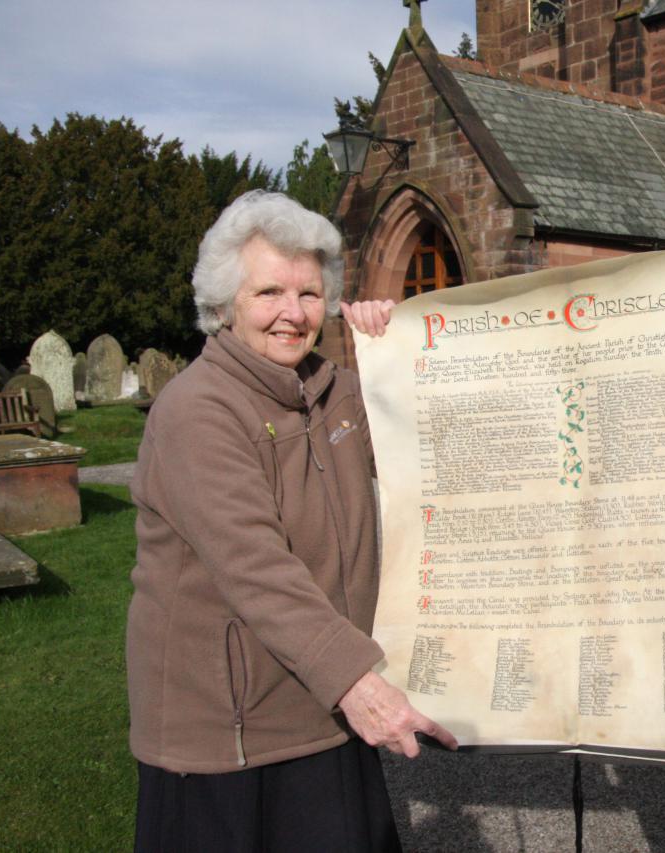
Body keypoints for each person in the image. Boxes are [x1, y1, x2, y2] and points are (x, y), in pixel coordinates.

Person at [125, 190, 450, 851]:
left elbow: (434, 452)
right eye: (269, 291)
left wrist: (397, 350)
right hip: (228, 736)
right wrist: (362, 687)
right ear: (224, 304)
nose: (292, 313)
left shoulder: (334, 392)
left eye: (308, 293)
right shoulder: (198, 411)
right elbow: (256, 568)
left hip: (323, 704)